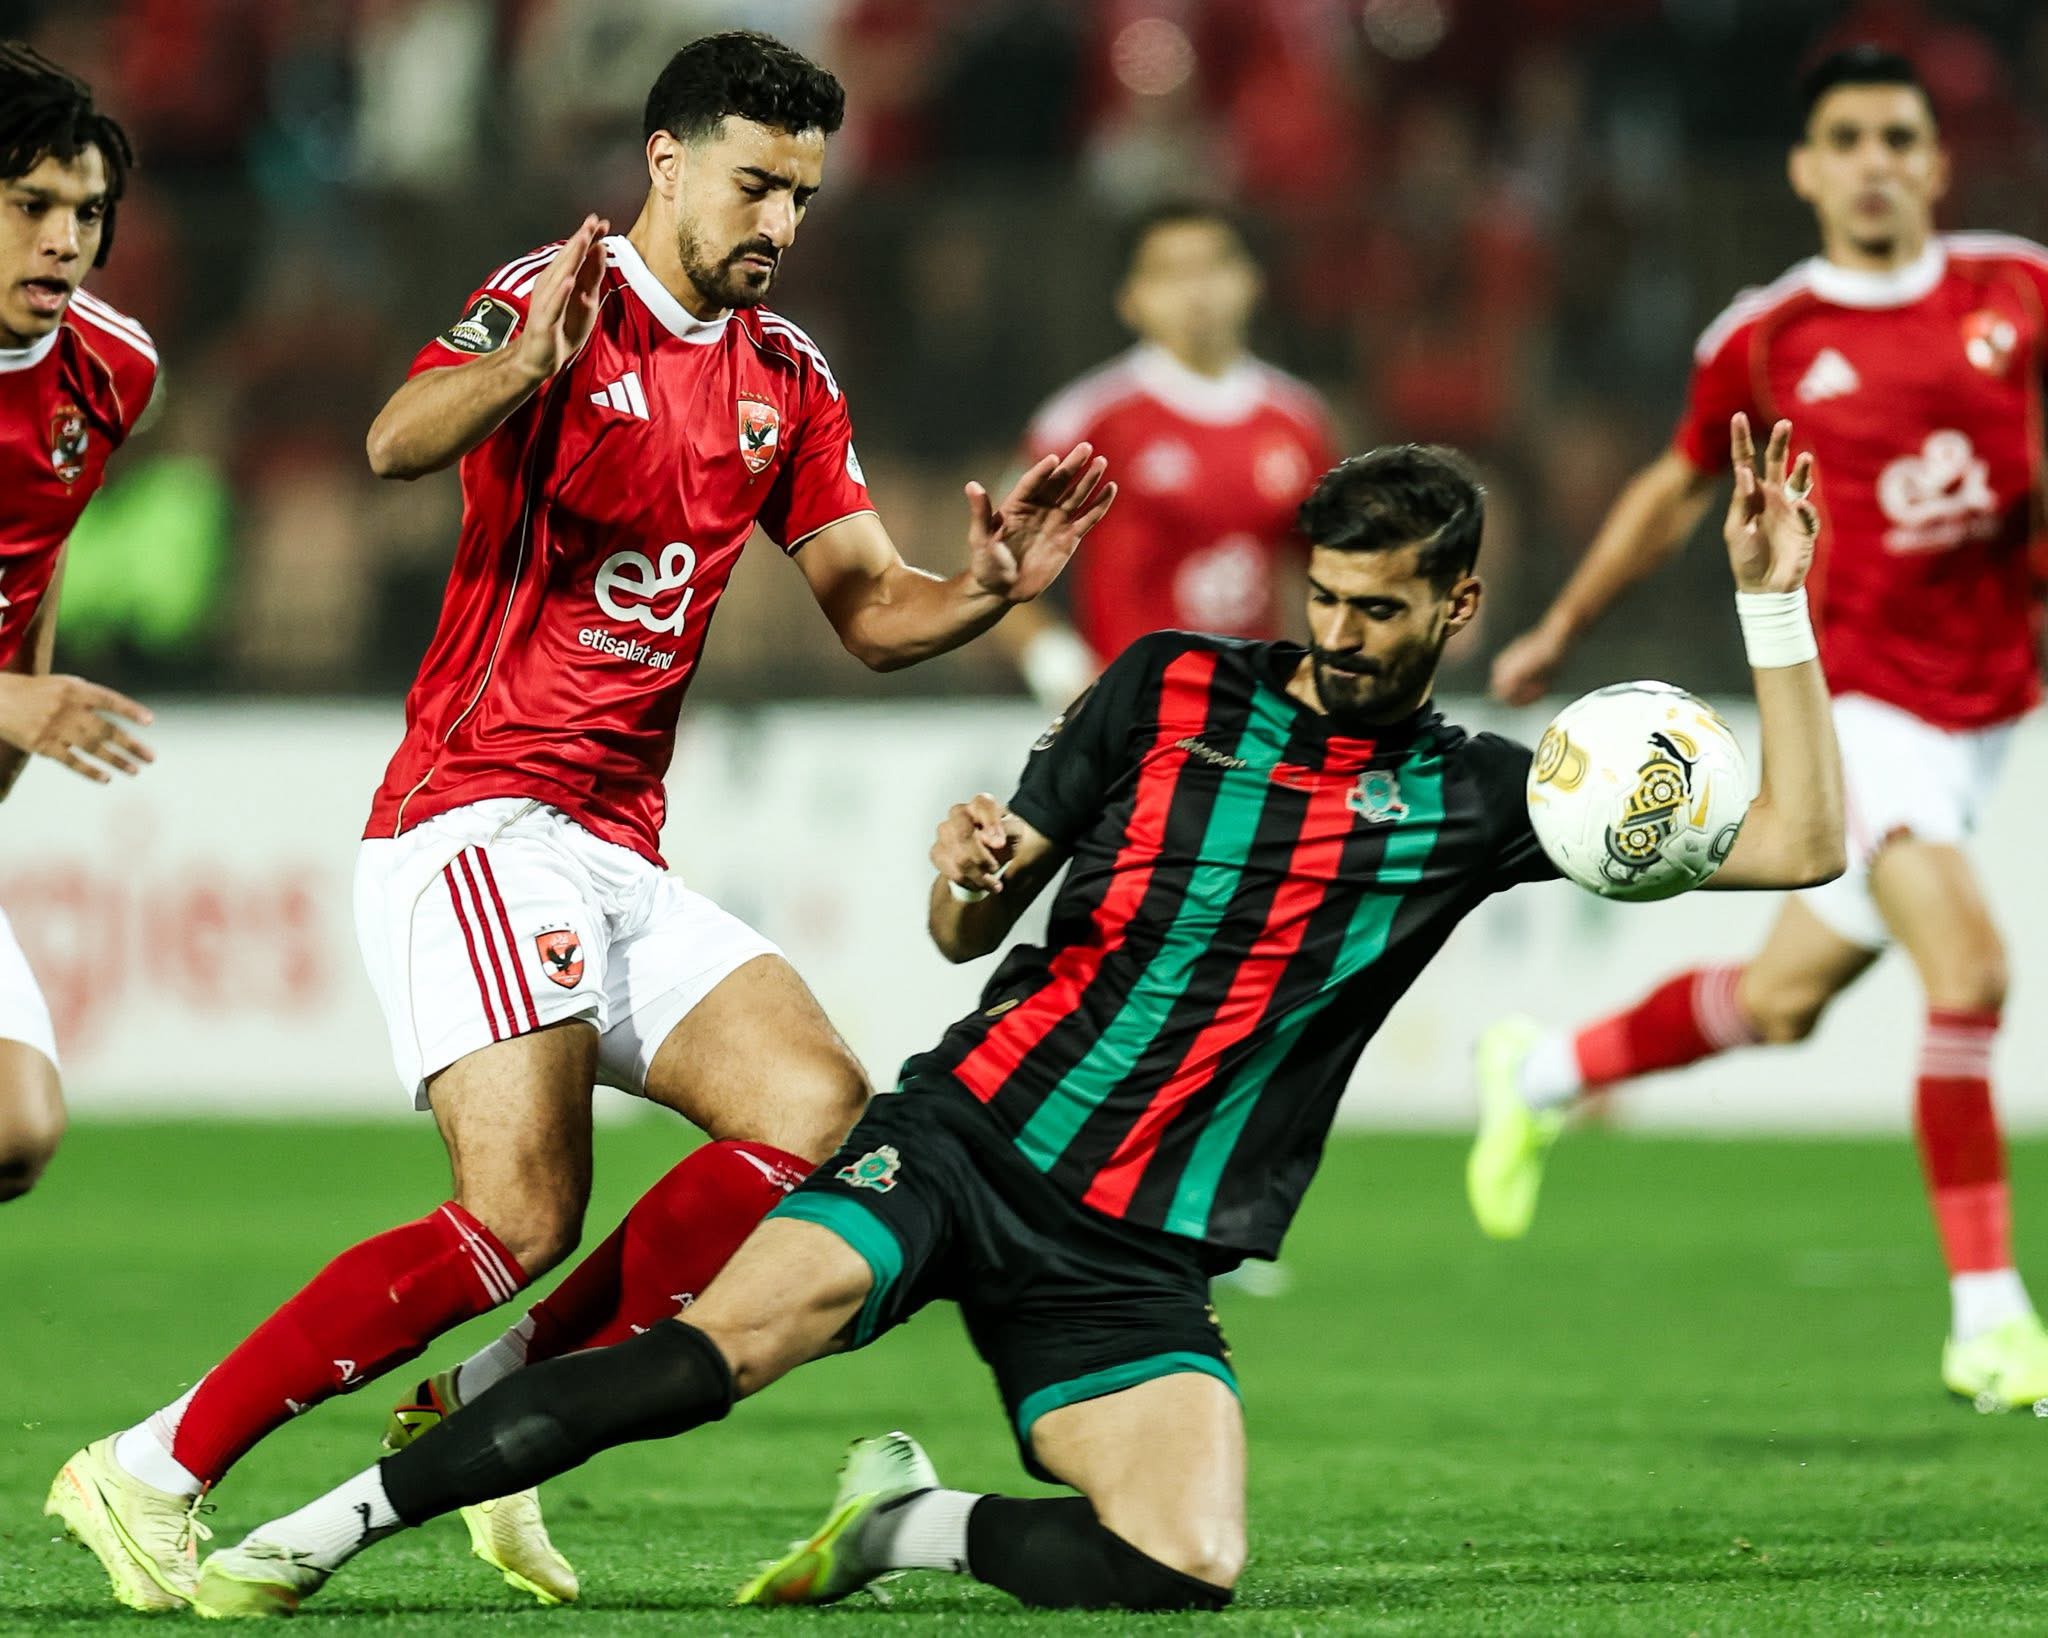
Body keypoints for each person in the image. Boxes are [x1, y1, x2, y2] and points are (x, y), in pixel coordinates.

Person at [189, 415, 1841, 1618]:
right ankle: (333, 1521)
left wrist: (1773, 609)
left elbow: (1798, 844)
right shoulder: (1168, 688)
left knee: (1183, 1565)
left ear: (1455, 607)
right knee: (711, 1352)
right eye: (1323, 598)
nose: (1338, 636)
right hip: (964, 1137)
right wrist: (966, 871)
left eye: (1380, 610)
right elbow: (966, 913)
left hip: (1134, 1245)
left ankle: (906, 1525)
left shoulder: (1482, 799)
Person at [50, 30, 1114, 1614]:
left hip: (619, 843)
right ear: (665, 162)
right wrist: (516, 370)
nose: (780, 223)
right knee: (522, 1206)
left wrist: (988, 593)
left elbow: (871, 610)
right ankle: (151, 1466)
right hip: (474, 812)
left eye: (806, 197)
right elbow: (393, 441)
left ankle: (490, 1412)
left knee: (819, 1114)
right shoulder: (556, 291)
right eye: (756, 184)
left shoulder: (787, 375)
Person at [1469, 46, 2048, 1409]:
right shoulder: (1769, 333)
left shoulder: (2017, 290)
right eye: (1845, 138)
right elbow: (1675, 489)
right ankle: (1988, 1318)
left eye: (1898, 136)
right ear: (1804, 168)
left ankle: (1545, 1068)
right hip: (1858, 708)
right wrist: (1564, 625)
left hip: (1983, 709)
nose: (1873, 160)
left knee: (1781, 1002)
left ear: (1935, 161)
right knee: (1967, 970)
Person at [0, 41, 157, 1204]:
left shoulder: (111, 369)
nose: (65, 239)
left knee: (15, 1128)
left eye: (88, 212)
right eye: (32, 207)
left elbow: (37, 562)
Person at [998, 200, 1337, 711]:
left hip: (1259, 720)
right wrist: (1057, 661)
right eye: (1171, 273)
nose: (1196, 290)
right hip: (1134, 720)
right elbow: (998, 557)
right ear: (1131, 299)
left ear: (1252, 282)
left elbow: (1334, 568)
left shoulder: (1298, 420)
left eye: (1214, 265)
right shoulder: (1091, 418)